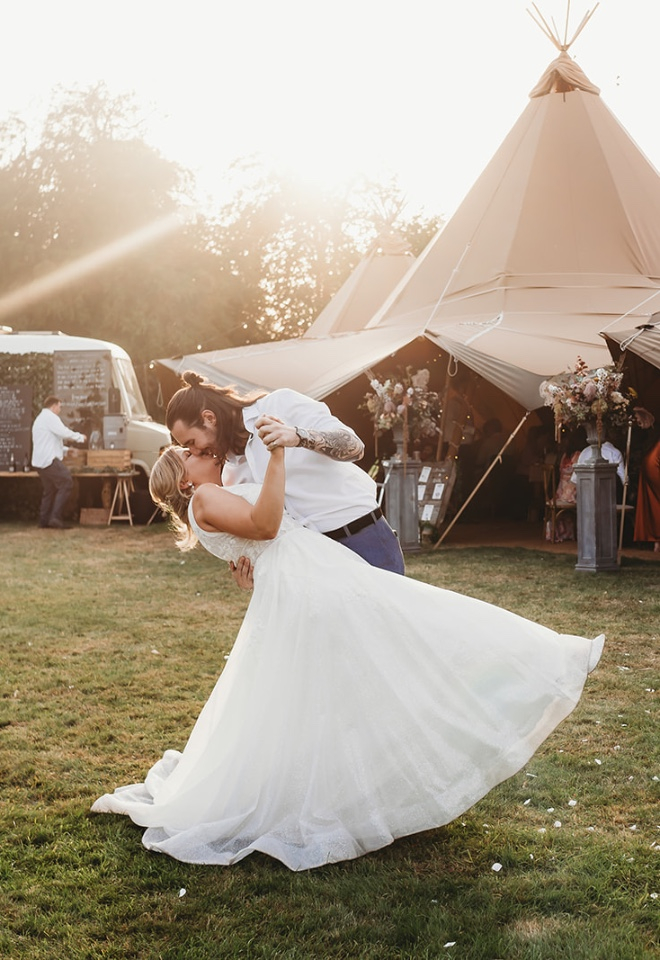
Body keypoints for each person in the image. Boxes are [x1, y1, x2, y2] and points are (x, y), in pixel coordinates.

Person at [91, 424, 604, 871]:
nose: (201, 452)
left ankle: (369, 781)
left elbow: (256, 538)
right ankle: (542, 663)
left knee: (367, 663)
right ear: (184, 480)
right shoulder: (204, 498)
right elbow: (266, 523)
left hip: (310, 572)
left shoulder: (212, 496)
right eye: (190, 454)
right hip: (309, 579)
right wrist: (277, 453)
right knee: (411, 630)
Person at [166, 370, 405, 579]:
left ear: (209, 418)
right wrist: (250, 573)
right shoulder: (230, 474)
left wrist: (298, 436)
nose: (195, 452)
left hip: (364, 539)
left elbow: (354, 447)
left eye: (191, 442)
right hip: (315, 566)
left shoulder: (279, 404)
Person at [31, 396, 87, 529]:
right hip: (49, 460)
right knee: (67, 482)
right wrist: (80, 437)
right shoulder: (50, 417)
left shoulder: (41, 419)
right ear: (54, 406)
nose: (60, 410)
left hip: (39, 462)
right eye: (60, 407)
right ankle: (55, 518)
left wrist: (67, 450)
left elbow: (50, 441)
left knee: (49, 490)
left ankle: (44, 520)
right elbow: (63, 432)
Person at [632, 408, 660, 551]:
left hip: (653, 473)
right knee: (652, 506)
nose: (637, 421)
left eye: (639, 418)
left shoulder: (654, 434)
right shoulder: (647, 435)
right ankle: (656, 540)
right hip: (649, 473)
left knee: (655, 505)